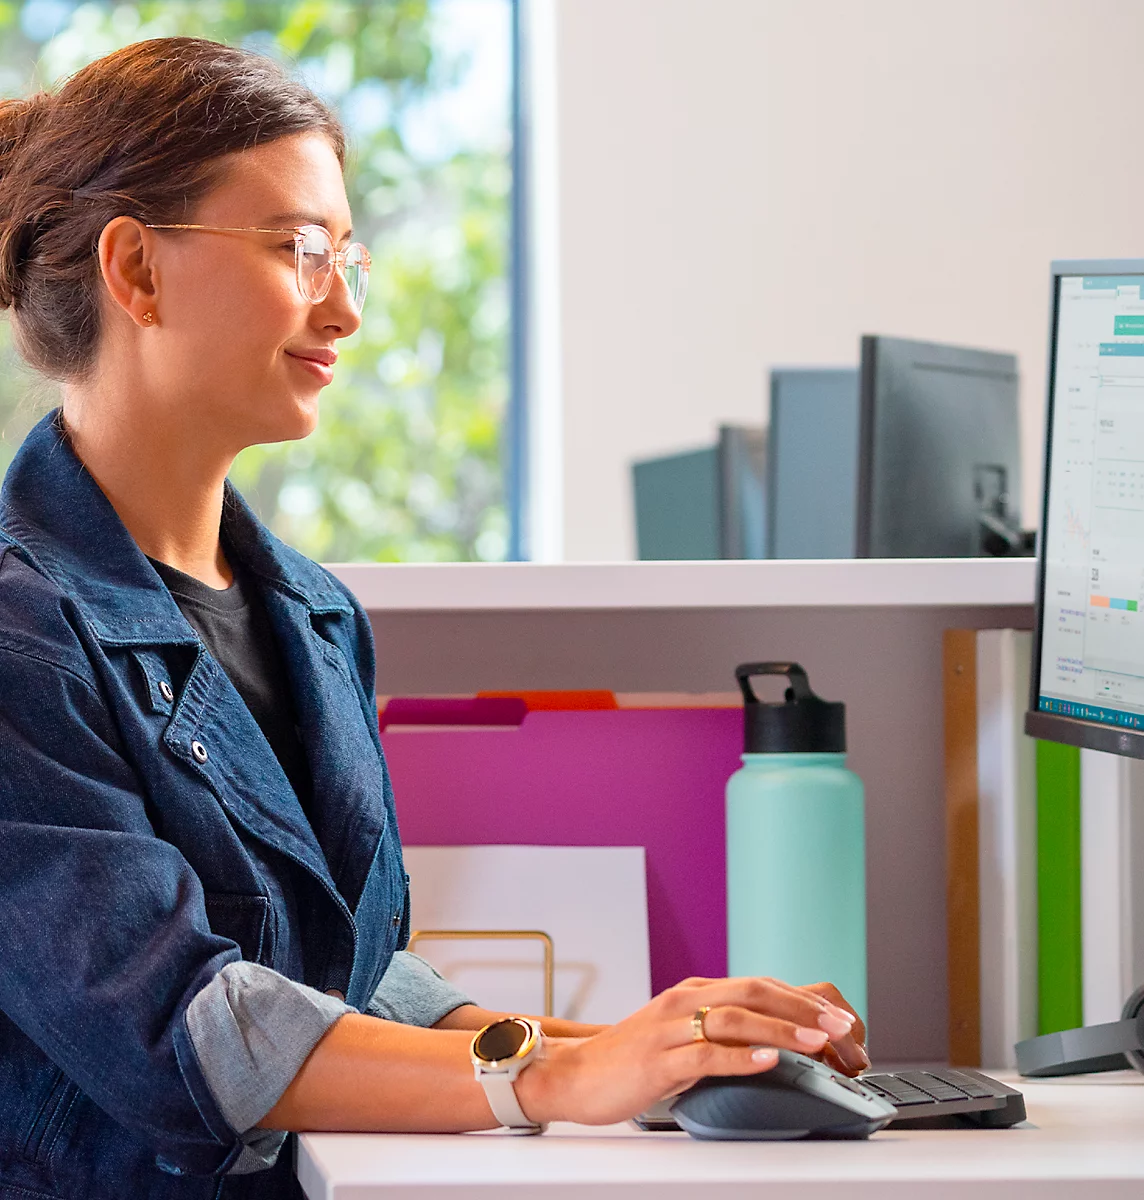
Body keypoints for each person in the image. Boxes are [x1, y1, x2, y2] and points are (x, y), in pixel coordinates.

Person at [0, 36, 869, 1200]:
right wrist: (556, 1083)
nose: (346, 308)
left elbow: (352, 980)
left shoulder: (313, 615)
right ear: (138, 272)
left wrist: (644, 1050)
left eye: (346, 254)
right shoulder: (21, 634)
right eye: (300, 250)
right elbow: (185, 1027)